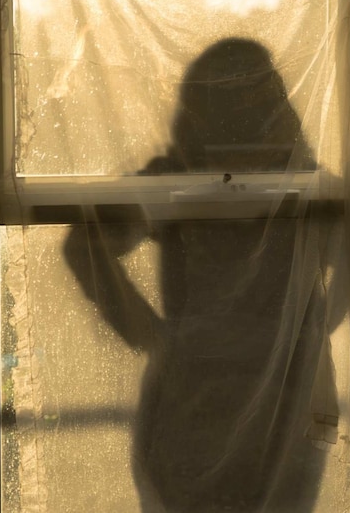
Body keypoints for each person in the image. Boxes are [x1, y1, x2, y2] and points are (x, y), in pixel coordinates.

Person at [64, 38, 328, 512]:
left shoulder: (301, 183)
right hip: (206, 403)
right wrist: (150, 335)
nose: (249, 117)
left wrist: (154, 337)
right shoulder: (180, 178)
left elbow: (84, 245)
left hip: (273, 404)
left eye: (258, 100)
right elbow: (84, 244)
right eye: (233, 101)